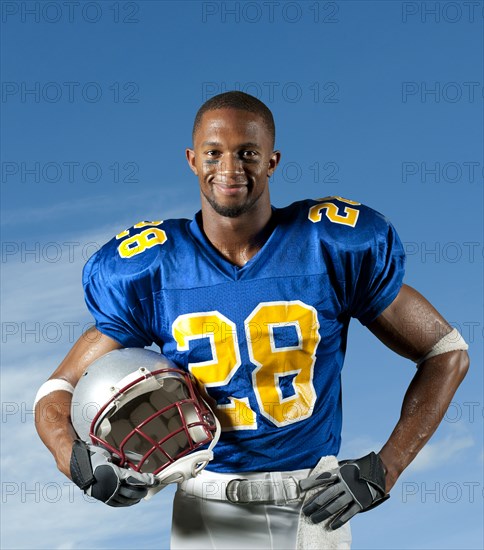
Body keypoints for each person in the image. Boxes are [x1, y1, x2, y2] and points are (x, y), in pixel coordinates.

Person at [34, 91, 469, 549]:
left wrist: (388, 466)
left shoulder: (328, 245)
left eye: (247, 153)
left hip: (311, 503)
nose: (229, 169)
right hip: (202, 503)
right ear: (191, 159)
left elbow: (446, 352)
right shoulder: (154, 267)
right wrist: (74, 460)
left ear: (272, 161)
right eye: (213, 153)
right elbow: (58, 389)